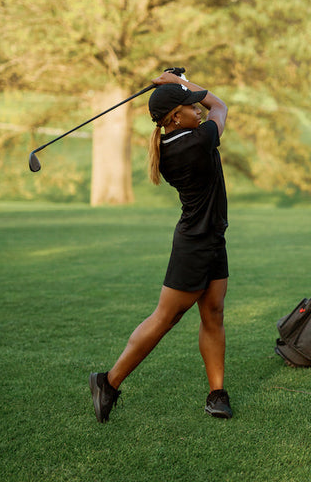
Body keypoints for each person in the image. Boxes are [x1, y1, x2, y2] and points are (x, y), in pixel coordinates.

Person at [89, 70, 232, 422]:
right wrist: (180, 82)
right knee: (165, 318)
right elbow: (219, 106)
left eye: (194, 105)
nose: (198, 109)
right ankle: (108, 382)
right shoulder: (195, 142)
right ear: (175, 117)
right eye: (190, 106)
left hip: (211, 237)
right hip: (195, 244)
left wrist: (177, 83)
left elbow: (206, 108)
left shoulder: (176, 141)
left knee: (213, 312)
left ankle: (216, 394)